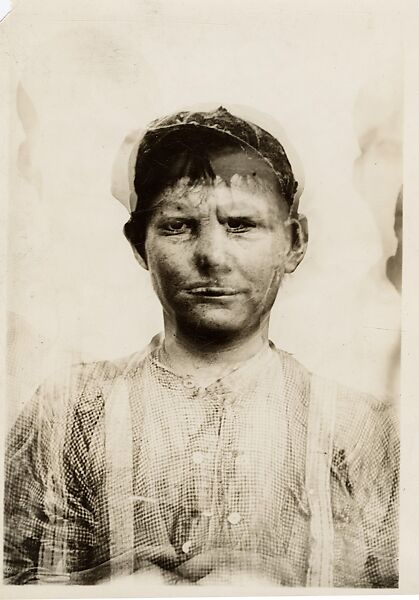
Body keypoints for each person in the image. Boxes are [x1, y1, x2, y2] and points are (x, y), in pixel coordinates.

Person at [4, 106, 399, 587]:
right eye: (178, 226)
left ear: (295, 242)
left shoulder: (358, 427)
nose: (212, 255)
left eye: (241, 224)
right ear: (138, 244)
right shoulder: (70, 411)